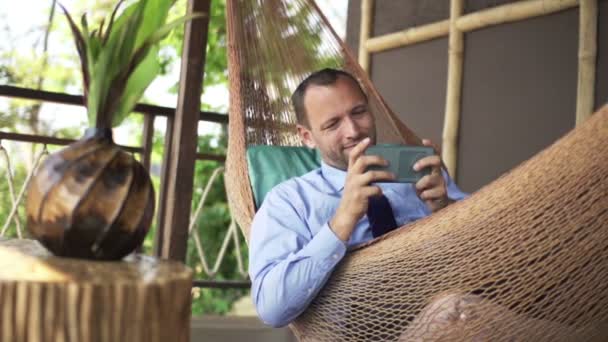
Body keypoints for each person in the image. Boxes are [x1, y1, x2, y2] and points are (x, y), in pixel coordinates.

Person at [248, 68, 468, 328]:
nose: (353, 130)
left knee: (460, 312)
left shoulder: (417, 175)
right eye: (333, 124)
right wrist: (342, 222)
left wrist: (447, 210)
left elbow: (497, 244)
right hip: (361, 332)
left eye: (359, 112)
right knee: (455, 314)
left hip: (451, 309)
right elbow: (271, 308)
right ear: (307, 137)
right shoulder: (288, 201)